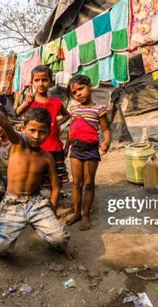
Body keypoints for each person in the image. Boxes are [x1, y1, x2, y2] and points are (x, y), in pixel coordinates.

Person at [0, 90, 75, 267]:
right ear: (23, 129)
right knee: (3, 247)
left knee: (59, 238)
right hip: (13, 202)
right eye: (32, 130)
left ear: (49, 130)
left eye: (42, 132)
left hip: (36, 202)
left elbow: (55, 186)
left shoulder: (47, 157)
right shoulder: (18, 143)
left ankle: (58, 243)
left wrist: (51, 209)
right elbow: (4, 121)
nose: (37, 136)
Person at [65, 75, 111, 231]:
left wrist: (106, 142)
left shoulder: (99, 109)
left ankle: (86, 215)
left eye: (81, 88)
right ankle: (77, 212)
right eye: (74, 92)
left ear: (90, 86)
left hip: (91, 150)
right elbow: (71, 131)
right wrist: (66, 147)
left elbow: (105, 129)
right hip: (76, 150)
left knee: (89, 183)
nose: (78, 93)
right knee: (76, 183)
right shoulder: (73, 109)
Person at [15, 65, 70, 189]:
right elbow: (17, 113)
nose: (41, 83)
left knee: (55, 179)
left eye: (45, 80)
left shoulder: (56, 102)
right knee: (35, 178)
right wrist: (25, 103)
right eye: (37, 80)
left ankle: (54, 200)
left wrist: (58, 123)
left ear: (50, 82)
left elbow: (67, 115)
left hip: (54, 146)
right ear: (31, 82)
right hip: (35, 146)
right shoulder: (29, 101)